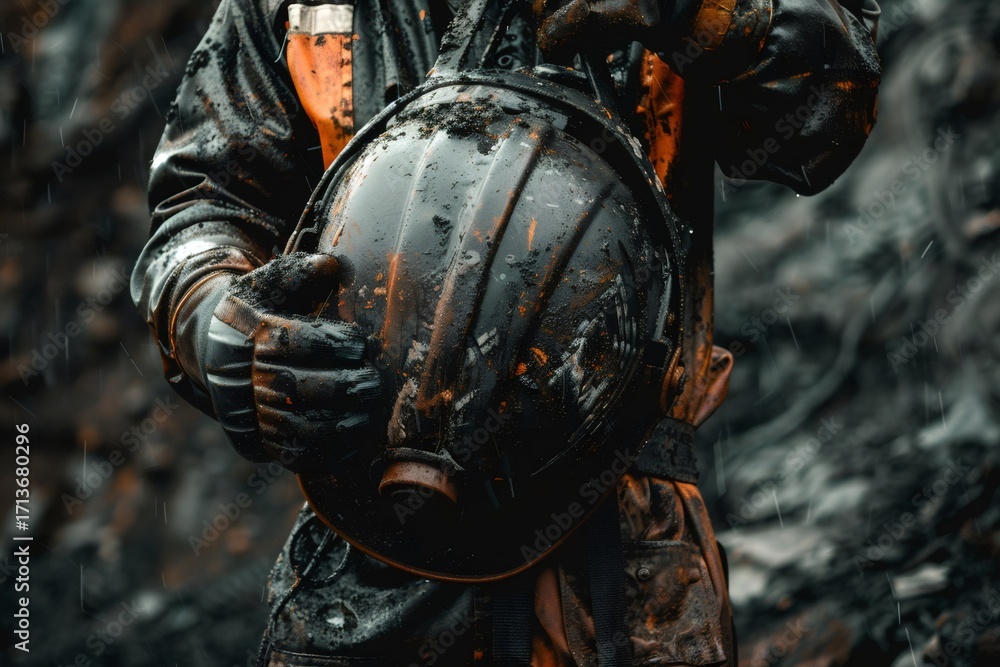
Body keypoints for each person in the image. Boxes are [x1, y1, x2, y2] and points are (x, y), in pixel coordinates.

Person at [131, 0, 881, 664]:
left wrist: (701, 13)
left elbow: (826, 114)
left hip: (625, 570)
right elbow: (206, 202)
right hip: (365, 563)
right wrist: (216, 326)